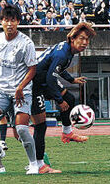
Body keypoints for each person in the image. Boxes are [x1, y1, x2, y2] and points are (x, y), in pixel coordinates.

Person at [0, 5, 42, 175]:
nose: (9, 24)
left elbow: (32, 69)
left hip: (22, 92)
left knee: (21, 129)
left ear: (18, 22)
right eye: (6, 20)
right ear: (1, 22)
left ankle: (34, 163)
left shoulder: (26, 43)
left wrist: (21, 87)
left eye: (13, 20)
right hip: (1, 90)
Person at [29, 22, 96, 172]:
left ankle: (67, 133)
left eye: (87, 40)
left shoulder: (67, 50)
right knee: (40, 126)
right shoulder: (62, 54)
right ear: (72, 38)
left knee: (70, 99)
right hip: (35, 86)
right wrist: (59, 101)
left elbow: (56, 70)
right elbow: (50, 79)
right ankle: (39, 166)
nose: (85, 43)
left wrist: (72, 80)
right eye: (82, 39)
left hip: (44, 81)